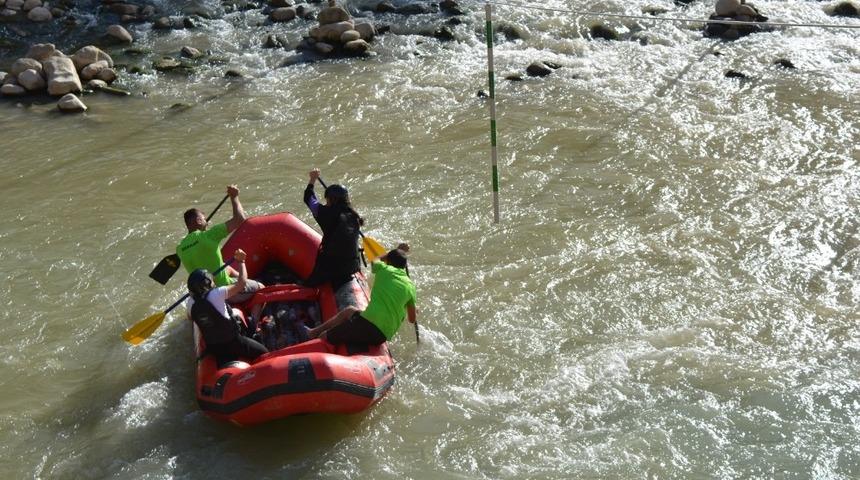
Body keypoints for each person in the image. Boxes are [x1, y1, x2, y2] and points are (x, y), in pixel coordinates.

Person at [306, 244, 416, 345]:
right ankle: (313, 332)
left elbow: (376, 259)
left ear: (388, 261)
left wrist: (394, 252)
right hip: (383, 336)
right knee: (349, 310)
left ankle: (313, 344)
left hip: (368, 326)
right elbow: (412, 319)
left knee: (325, 336)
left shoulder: (384, 269)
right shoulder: (411, 286)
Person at [177, 184, 264, 303]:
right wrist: (234, 197)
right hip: (226, 291)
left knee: (225, 266)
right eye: (204, 220)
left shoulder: (180, 248)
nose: (207, 223)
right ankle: (254, 316)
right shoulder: (209, 235)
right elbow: (240, 219)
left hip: (207, 295)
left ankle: (244, 278)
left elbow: (199, 248)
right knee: (261, 287)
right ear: (198, 221)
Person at [186, 249, 269, 364]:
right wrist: (241, 262)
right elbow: (241, 283)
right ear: (207, 284)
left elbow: (191, 318)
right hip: (234, 342)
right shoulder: (217, 294)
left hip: (213, 347)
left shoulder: (190, 303)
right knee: (264, 352)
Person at [303, 168, 363, 289]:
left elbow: (308, 198)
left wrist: (312, 180)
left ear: (330, 199)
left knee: (308, 285)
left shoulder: (325, 212)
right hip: (352, 266)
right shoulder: (355, 216)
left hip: (332, 268)